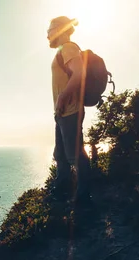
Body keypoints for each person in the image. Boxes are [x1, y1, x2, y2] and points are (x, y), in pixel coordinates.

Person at [47, 16, 92, 206]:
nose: (47, 33)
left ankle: (83, 197)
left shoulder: (68, 48)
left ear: (61, 30)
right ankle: (61, 191)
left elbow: (79, 74)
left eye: (50, 29)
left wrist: (63, 98)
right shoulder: (62, 50)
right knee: (61, 155)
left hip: (70, 109)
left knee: (75, 155)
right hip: (62, 112)